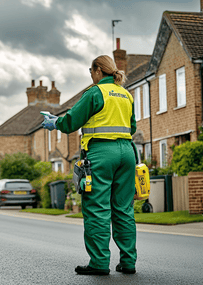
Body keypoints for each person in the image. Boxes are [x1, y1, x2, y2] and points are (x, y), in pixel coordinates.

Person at [42, 55, 137, 275]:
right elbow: (131, 127)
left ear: (97, 71)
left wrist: (54, 122)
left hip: (102, 153)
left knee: (97, 208)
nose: (91, 75)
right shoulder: (126, 94)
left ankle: (99, 263)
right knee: (123, 209)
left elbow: (71, 120)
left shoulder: (96, 92)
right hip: (127, 153)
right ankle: (128, 262)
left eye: (90, 71)